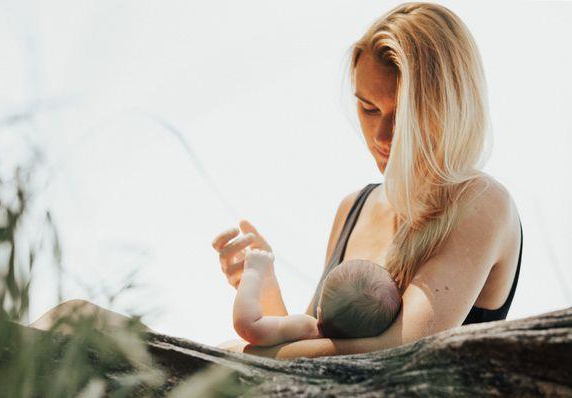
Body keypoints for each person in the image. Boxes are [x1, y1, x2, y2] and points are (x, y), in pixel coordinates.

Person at [212, 2, 523, 359]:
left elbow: (398, 352)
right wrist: (264, 286)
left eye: (405, 114)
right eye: (368, 109)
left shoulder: (483, 202)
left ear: (450, 108)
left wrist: (237, 354)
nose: (382, 135)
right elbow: (316, 356)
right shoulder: (353, 209)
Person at [233, 247, 401, 346]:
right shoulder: (370, 351)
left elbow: (248, 326)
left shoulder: (305, 328)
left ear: (320, 308)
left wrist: (253, 272)